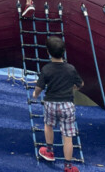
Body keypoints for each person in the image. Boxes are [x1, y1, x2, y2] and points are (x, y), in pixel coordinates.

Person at [33, 36, 84, 172]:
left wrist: (35, 95)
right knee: (68, 137)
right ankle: (68, 166)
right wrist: (73, 88)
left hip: (51, 103)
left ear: (48, 52)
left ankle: (49, 150)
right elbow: (80, 84)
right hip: (67, 104)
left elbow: (40, 86)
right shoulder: (70, 68)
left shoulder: (46, 69)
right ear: (64, 52)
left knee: (48, 125)